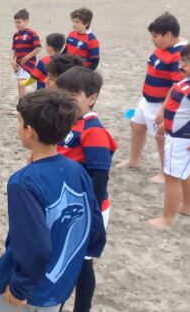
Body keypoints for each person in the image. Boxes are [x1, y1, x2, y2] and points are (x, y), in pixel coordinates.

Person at [0, 89, 106, 312]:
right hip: (58, 285)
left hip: (26, 291)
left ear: (29, 131)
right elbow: (93, 222)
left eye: (20, 122)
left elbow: (34, 245)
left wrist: (20, 287)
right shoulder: (77, 170)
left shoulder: (23, 182)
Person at [55, 66, 118, 312]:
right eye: (62, 94)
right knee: (63, 260)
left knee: (82, 263)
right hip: (67, 204)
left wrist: (88, 213)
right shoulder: (69, 123)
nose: (66, 100)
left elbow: (100, 177)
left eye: (73, 96)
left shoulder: (94, 131)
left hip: (89, 207)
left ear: (92, 98)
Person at [148, 42, 190, 228]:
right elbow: (181, 108)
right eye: (182, 60)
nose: (183, 64)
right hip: (180, 135)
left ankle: (167, 218)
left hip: (185, 140)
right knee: (185, 174)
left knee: (172, 178)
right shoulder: (187, 81)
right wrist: (166, 124)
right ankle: (188, 206)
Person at [116, 13, 187, 183]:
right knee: (136, 125)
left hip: (161, 103)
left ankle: (165, 173)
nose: (152, 40)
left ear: (169, 35)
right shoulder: (164, 47)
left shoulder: (179, 55)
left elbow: (177, 86)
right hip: (147, 100)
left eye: (155, 36)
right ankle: (134, 160)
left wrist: (164, 109)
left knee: (161, 137)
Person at [11, 9, 42, 97]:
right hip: (18, 64)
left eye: (19, 22)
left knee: (22, 84)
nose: (17, 25)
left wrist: (27, 57)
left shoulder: (32, 33)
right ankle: (22, 103)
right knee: (20, 85)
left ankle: (22, 105)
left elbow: (38, 48)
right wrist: (12, 60)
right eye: (15, 22)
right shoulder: (16, 34)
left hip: (28, 64)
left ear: (26, 21)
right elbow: (13, 49)